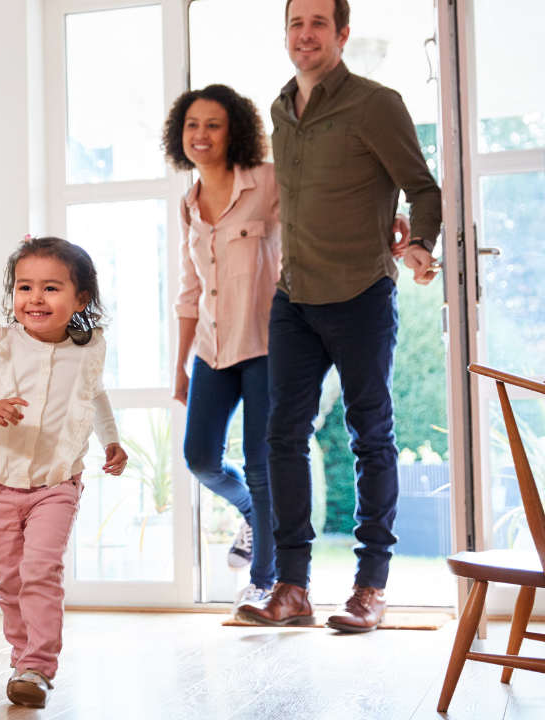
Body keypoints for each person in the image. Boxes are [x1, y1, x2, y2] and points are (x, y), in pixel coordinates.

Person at [235, 0, 441, 633]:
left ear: (342, 34)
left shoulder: (376, 104)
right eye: (296, 24)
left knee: (370, 436)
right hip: (294, 296)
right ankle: (292, 586)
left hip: (360, 293)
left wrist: (419, 242)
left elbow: (421, 186)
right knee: (281, 437)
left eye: (318, 23)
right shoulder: (280, 109)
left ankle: (370, 587)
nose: (305, 34)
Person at [0, 236, 129, 709]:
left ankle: (38, 665)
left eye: (51, 288)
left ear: (81, 299)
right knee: (9, 580)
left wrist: (111, 439)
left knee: (40, 571)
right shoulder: (0, 346)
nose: (35, 298)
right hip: (1, 486)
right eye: (24, 287)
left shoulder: (88, 350)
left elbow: (94, 396)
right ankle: (21, 660)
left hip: (57, 483)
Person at [163, 84, 281, 614]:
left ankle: (264, 581)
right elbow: (189, 289)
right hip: (211, 350)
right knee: (200, 458)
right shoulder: (188, 204)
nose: (201, 134)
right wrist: (181, 365)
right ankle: (253, 515)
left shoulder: (267, 182)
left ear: (234, 131)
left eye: (213, 124)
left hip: (264, 344)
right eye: (192, 124)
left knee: (261, 463)